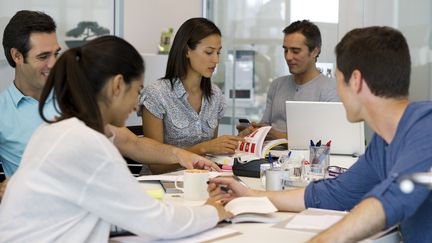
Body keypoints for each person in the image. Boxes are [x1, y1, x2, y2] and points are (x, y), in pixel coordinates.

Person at [209, 26, 432, 242]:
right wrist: (252, 196)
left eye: (339, 80)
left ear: (355, 81)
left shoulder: (427, 127)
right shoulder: (384, 143)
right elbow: (335, 193)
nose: (337, 91)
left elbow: (393, 199)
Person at [0, 35, 231, 242]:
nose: (136, 105)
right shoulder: (86, 142)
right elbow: (157, 221)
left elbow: (131, 149)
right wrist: (212, 211)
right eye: (137, 91)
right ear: (118, 85)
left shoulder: (61, 129)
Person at [0, 11, 219, 199]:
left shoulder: (73, 98)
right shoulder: (3, 111)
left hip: (94, 202)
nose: (53, 64)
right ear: (17, 56)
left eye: (56, 54)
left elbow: (129, 141)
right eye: (43, 56)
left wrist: (181, 155)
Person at [139, 17, 243, 174]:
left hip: (200, 182)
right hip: (161, 185)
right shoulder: (157, 94)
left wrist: (238, 141)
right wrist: (204, 148)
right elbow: (155, 165)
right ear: (187, 51)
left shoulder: (215, 96)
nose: (216, 59)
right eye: (209, 52)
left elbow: (210, 156)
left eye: (218, 52)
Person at [238, 20, 339, 139]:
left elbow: (328, 139)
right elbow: (265, 125)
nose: (288, 57)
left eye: (295, 51)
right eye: (285, 50)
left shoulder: (331, 90)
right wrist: (253, 130)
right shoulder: (276, 85)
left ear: (314, 52)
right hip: (269, 155)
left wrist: (279, 136)